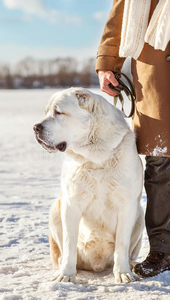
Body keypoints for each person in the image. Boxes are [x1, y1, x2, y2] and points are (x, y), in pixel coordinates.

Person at [96, 0, 170, 277]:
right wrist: (107, 65)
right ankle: (163, 251)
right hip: (156, 78)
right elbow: (119, 18)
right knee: (160, 165)